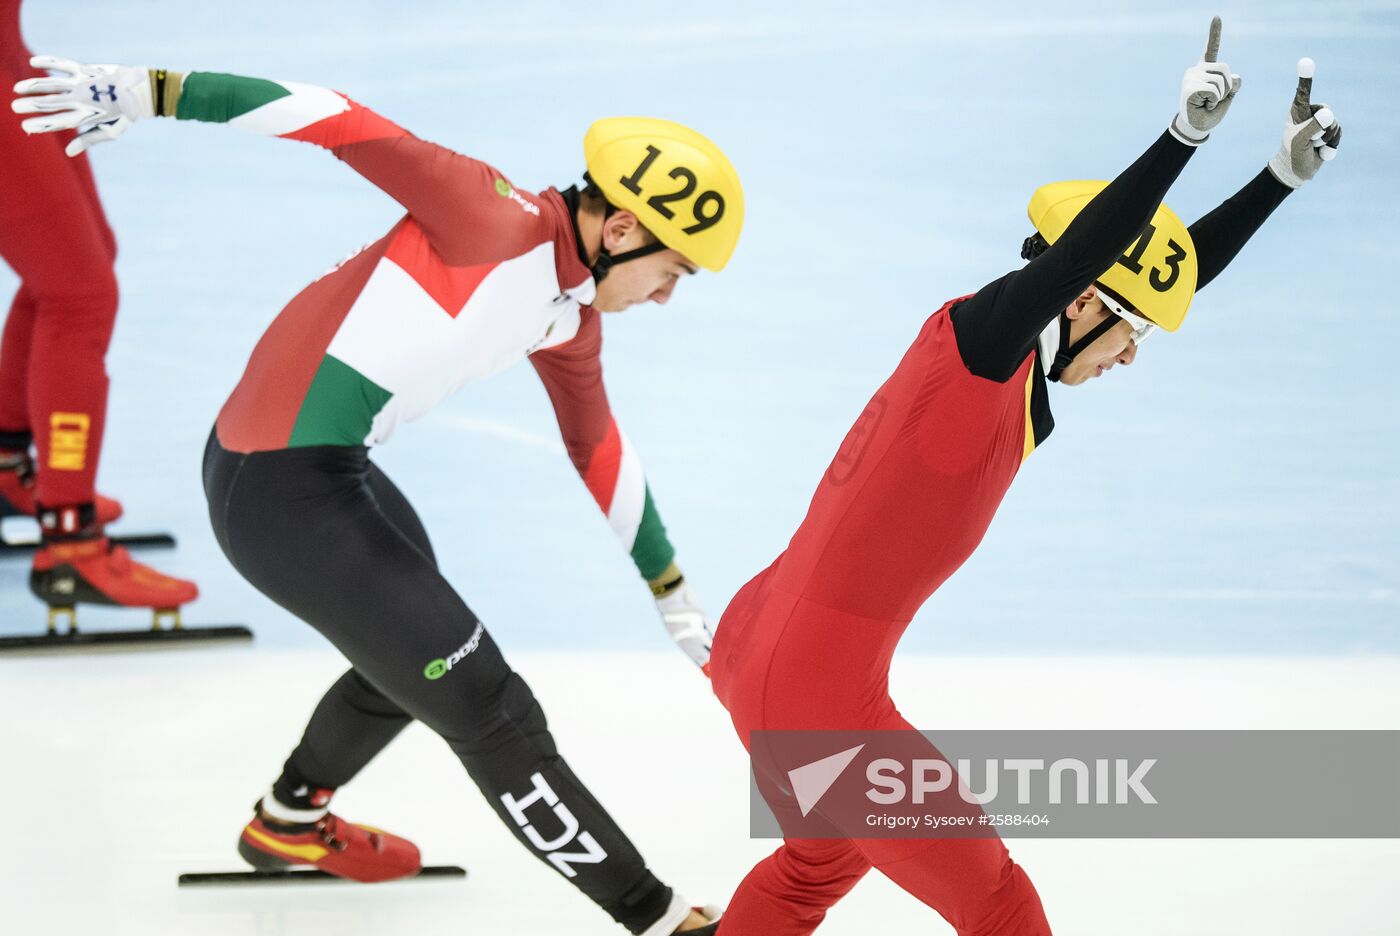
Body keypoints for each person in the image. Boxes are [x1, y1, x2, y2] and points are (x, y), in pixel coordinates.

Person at [13, 54, 744, 935]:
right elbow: (339, 118)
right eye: (674, 271)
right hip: (279, 491)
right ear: (623, 228)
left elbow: (595, 443)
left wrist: (670, 589)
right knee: (488, 704)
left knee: (408, 651)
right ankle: (660, 918)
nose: (666, 297)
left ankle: (288, 822)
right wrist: (154, 92)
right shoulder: (490, 215)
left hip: (321, 472)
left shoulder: (569, 311)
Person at [704, 19, 1341, 936]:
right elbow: (1089, 254)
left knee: (820, 860)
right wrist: (1180, 139)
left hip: (760, 642)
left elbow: (1158, 272)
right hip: (817, 700)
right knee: (998, 903)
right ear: (1079, 302)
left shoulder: (1020, 367)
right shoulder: (982, 350)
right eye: (1133, 333)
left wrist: (1277, 179)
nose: (1132, 355)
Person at [0, 0, 196, 620]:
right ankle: (71, 543)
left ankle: (6, 464)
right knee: (79, 295)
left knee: (83, 265)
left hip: (9, 55)